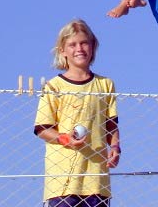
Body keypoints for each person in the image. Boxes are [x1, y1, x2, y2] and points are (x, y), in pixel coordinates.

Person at [34, 19, 120, 207]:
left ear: (93, 46)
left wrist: (115, 148)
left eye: (84, 43)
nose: (79, 49)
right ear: (62, 51)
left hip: (96, 179)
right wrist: (66, 139)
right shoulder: (53, 86)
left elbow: (111, 124)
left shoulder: (106, 84)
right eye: (72, 45)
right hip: (62, 182)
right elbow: (42, 129)